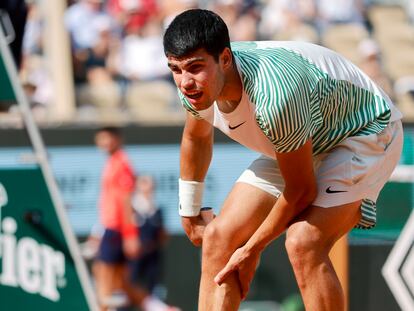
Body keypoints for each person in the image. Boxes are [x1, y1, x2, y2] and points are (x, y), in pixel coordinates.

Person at [163, 9, 403, 311]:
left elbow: (301, 190)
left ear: (225, 58)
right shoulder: (193, 85)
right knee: (218, 238)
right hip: (303, 136)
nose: (184, 82)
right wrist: (189, 209)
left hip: (363, 131)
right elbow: (195, 138)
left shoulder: (274, 98)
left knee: (303, 243)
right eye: (175, 69)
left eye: (195, 67)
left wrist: (252, 248)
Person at [94, 126, 180, 311]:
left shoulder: (121, 163)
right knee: (121, 282)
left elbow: (125, 200)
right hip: (111, 227)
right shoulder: (112, 163)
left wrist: (129, 234)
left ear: (117, 139)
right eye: (101, 139)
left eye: (108, 138)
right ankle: (160, 309)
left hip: (117, 229)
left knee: (104, 275)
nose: (104, 143)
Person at [130, 175, 169, 294]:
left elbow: (162, 235)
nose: (149, 187)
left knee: (151, 290)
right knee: (130, 288)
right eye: (144, 183)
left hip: (152, 257)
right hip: (134, 257)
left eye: (151, 184)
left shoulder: (157, 209)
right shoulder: (131, 208)